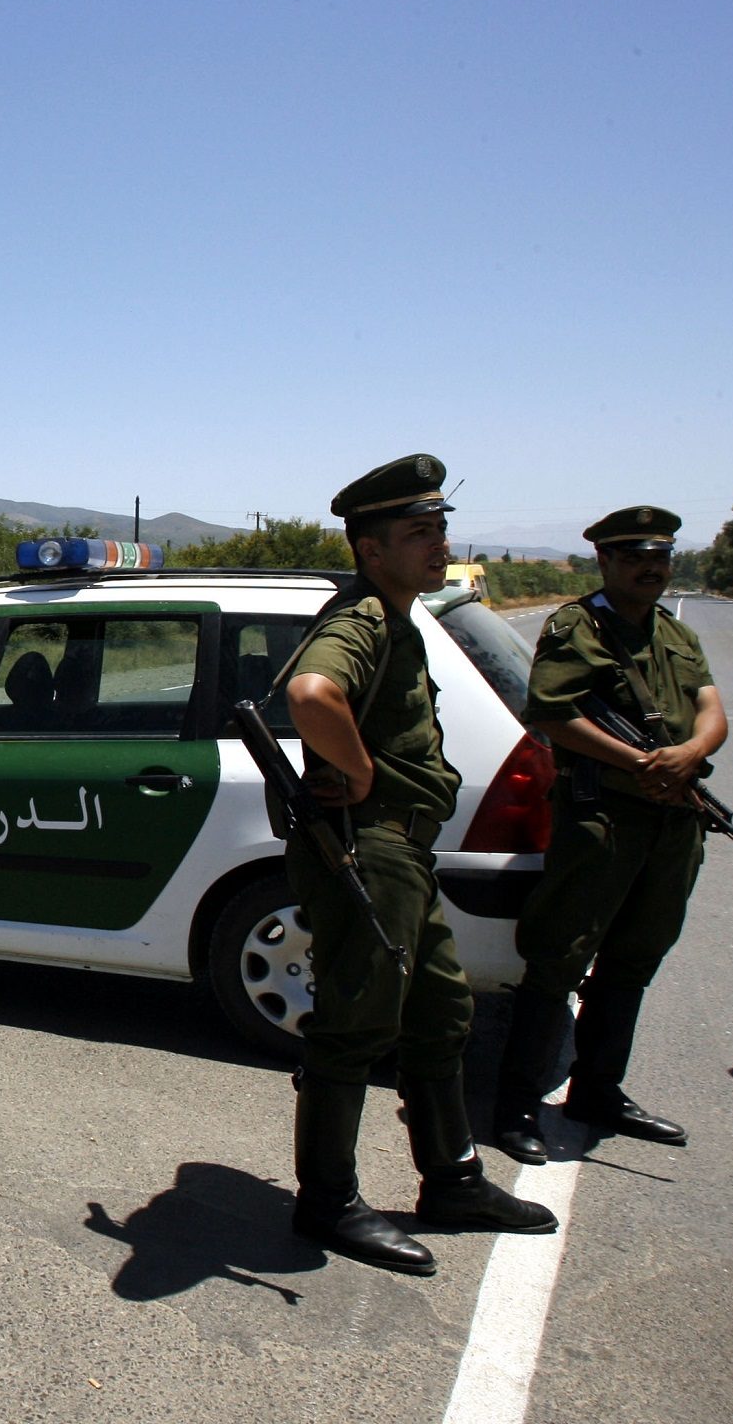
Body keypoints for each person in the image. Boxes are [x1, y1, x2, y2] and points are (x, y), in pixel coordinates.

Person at [281, 454, 554, 1275]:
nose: (439, 545)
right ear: (371, 549)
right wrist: (361, 772)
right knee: (355, 1026)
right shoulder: (362, 620)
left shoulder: (400, 618)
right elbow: (311, 694)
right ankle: (326, 1202)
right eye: (419, 532)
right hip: (368, 847)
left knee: (440, 1014)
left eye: (440, 528)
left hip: (402, 851)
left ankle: (454, 1180)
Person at [492, 507, 726, 1163]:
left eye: (661, 557)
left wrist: (692, 753)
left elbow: (710, 706)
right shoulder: (579, 627)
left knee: (635, 957)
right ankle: (516, 1107)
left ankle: (597, 1091)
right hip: (604, 821)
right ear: (606, 561)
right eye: (635, 557)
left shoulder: (673, 630)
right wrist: (645, 763)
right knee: (559, 958)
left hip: (673, 821)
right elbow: (552, 713)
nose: (651, 568)